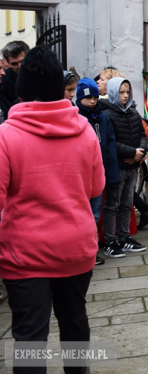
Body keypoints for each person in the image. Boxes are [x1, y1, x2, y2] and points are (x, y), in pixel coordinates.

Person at [0, 47, 105, 374]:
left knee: (30, 337)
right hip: (76, 249)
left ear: (22, 89)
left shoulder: (7, 135)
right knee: (75, 323)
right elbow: (96, 188)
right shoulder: (84, 129)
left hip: (24, 254)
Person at [100, 77, 148, 253]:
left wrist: (140, 152)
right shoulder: (107, 114)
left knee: (127, 203)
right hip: (117, 167)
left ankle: (124, 237)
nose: (125, 96)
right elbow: (110, 142)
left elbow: (142, 135)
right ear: (113, 93)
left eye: (127, 92)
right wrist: (131, 153)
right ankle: (111, 241)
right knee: (112, 204)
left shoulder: (133, 113)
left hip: (132, 166)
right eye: (121, 92)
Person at [76, 78, 121, 260]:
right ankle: (80, 249)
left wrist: (112, 175)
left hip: (99, 173)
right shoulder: (76, 117)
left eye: (95, 97)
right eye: (88, 98)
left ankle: (90, 251)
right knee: (81, 213)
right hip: (82, 174)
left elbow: (110, 146)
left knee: (95, 213)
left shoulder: (103, 117)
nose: (93, 101)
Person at [1, 41, 29, 117]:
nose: (20, 66)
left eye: (22, 62)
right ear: (8, 63)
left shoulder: (42, 74)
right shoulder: (4, 82)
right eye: (14, 64)